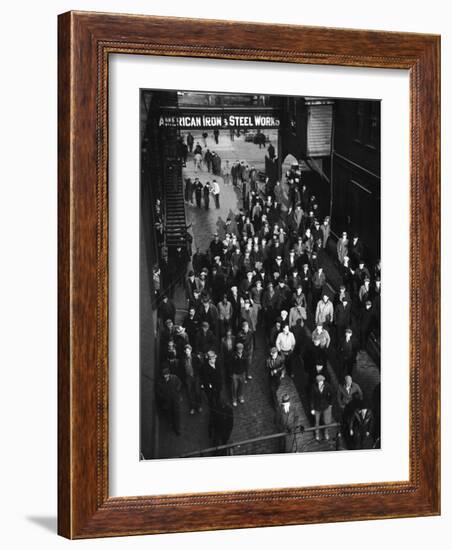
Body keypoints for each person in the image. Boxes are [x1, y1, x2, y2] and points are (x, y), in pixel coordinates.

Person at [155, 368, 182, 435]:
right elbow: (158, 391)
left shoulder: (174, 378)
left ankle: (177, 429)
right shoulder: (161, 382)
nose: (166, 376)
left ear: (169, 374)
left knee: (176, 414)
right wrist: (163, 396)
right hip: (167, 401)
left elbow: (179, 383)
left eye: (167, 374)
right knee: (169, 413)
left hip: (175, 400)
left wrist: (177, 389)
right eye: (164, 375)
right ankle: (171, 425)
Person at [310, 374, 334, 441]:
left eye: (322, 381)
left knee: (327, 422)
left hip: (326, 406)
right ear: (317, 382)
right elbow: (312, 398)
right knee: (316, 422)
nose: (321, 382)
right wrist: (312, 408)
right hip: (317, 407)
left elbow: (332, 394)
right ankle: (317, 434)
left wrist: (330, 404)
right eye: (319, 381)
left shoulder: (327, 386)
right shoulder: (313, 387)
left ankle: (326, 433)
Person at [181, 345, 203, 414]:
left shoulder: (195, 357)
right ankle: (192, 407)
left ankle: (199, 406)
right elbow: (182, 369)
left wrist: (197, 371)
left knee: (197, 392)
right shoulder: (183, 359)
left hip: (195, 376)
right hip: (188, 377)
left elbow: (200, 364)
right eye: (186, 351)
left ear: (190, 350)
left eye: (188, 351)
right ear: (184, 351)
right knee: (189, 393)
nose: (187, 352)